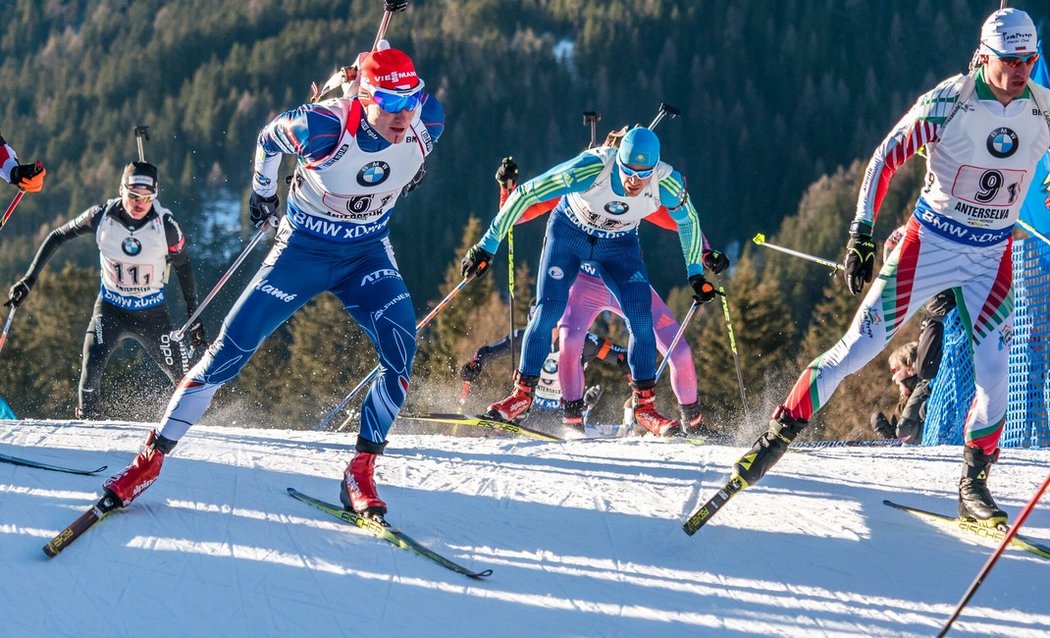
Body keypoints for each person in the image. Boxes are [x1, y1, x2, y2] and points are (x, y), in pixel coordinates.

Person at [728, 8, 1050, 528]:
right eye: (1011, 60)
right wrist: (861, 233)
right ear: (985, 56)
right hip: (931, 245)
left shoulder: (1043, 106)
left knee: (996, 378)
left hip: (991, 257)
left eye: (1030, 60)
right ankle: (775, 438)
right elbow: (884, 158)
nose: (1021, 70)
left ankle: (972, 486)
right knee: (855, 350)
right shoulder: (951, 100)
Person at [101, 41, 444, 525]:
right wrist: (263, 195)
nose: (402, 114)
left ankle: (361, 471)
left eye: (410, 101)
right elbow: (267, 139)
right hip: (301, 251)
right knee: (227, 352)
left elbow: (402, 129)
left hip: (365, 255)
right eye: (388, 103)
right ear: (364, 98)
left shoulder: (428, 122)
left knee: (401, 352)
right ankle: (147, 463)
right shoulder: (322, 126)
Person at [461, 126, 724, 437]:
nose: (634, 182)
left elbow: (688, 220)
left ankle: (644, 408)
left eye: (643, 175)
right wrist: (485, 247)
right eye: (628, 172)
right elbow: (527, 194)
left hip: (618, 246)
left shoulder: (666, 181)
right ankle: (521, 396)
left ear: (654, 168)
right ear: (618, 160)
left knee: (641, 321)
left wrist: (696, 271)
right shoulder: (592, 167)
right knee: (548, 312)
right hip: (569, 236)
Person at [5, 161, 203, 418]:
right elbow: (57, 236)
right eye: (133, 195)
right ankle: (89, 430)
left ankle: (192, 426)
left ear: (155, 195)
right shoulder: (101, 215)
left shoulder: (165, 225)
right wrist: (28, 280)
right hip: (111, 309)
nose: (139, 203)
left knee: (184, 380)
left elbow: (184, 266)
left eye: (147, 197)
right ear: (121, 189)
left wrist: (194, 316)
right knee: (90, 375)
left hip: (152, 314)